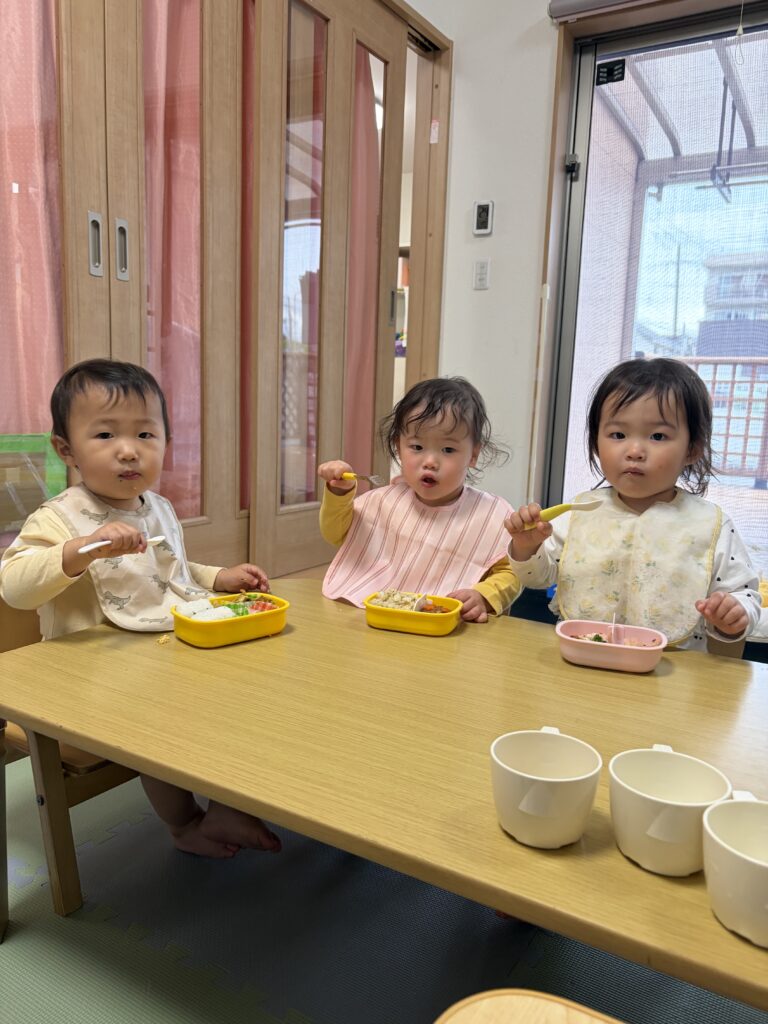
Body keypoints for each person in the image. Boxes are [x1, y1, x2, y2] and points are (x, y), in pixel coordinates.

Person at [0, 359, 281, 858]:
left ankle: (226, 804)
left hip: (156, 653)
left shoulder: (158, 507)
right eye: (105, 434)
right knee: (166, 717)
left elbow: (167, 570)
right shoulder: (58, 518)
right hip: (85, 675)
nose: (129, 450)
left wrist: (217, 578)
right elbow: (15, 588)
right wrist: (82, 549)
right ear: (66, 449)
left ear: (166, 443)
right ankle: (185, 824)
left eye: (146, 434)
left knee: (248, 685)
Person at [505, 358, 761, 651]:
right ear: (596, 443)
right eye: (618, 435)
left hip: (674, 667)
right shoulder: (581, 513)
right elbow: (538, 578)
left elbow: (745, 594)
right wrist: (526, 548)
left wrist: (732, 614)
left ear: (693, 449)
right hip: (585, 657)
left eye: (657, 436)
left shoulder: (711, 524)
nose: (635, 451)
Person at [318, 377, 520, 622]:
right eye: (416, 447)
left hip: (447, 626)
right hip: (374, 617)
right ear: (398, 447)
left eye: (448, 450)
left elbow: (511, 572)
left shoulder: (490, 514)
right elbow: (336, 533)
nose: (430, 462)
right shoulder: (384, 502)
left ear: (473, 455)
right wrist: (340, 493)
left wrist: (483, 595)